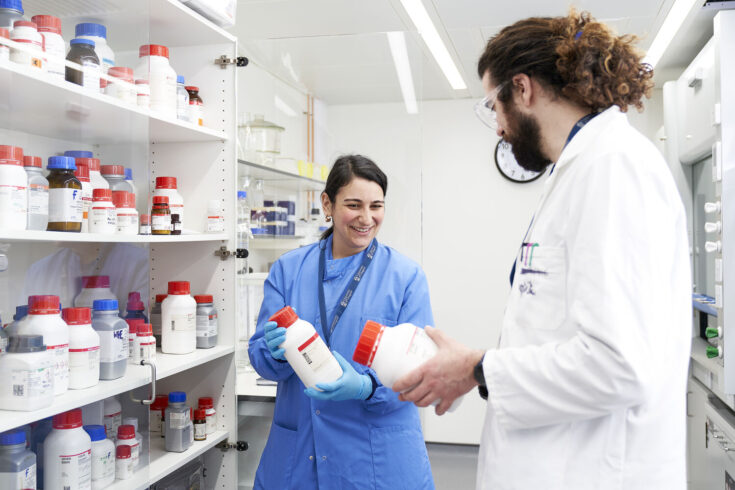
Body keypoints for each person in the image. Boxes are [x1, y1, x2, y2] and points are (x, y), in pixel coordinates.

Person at [393, 11, 691, 490]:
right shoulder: (579, 169)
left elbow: (620, 366)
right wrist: (479, 370)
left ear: (523, 88)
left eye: (494, 106)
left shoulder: (614, 169)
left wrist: (477, 367)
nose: (496, 128)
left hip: (593, 472)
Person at [248, 154, 435, 489]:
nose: (366, 218)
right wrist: (274, 353)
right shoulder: (288, 271)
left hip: (375, 454)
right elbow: (260, 354)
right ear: (327, 204)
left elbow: (422, 374)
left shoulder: (405, 278)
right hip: (301, 450)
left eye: (376, 206)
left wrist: (367, 387)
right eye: (354, 204)